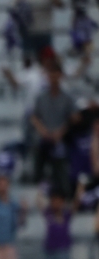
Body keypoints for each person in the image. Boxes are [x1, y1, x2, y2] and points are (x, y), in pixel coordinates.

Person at [31, 65, 79, 195]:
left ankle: (65, 195)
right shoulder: (41, 97)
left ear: (61, 76)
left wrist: (61, 132)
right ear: (47, 77)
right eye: (51, 75)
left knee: (61, 165)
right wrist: (43, 131)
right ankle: (37, 193)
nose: (54, 79)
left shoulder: (67, 98)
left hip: (60, 140)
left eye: (56, 75)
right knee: (37, 164)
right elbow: (34, 117)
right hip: (43, 139)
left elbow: (74, 117)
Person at [40, 188, 74, 259]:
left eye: (59, 201)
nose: (56, 204)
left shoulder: (66, 215)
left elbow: (76, 203)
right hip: (49, 251)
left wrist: (81, 187)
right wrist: (41, 189)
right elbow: (39, 202)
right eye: (54, 201)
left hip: (63, 251)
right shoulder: (48, 213)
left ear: (63, 203)